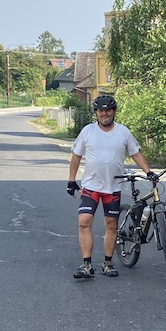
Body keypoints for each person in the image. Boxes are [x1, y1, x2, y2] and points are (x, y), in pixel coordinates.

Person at [67, 94, 153, 280]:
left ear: (114, 112)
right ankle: (86, 265)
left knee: (111, 225)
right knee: (84, 221)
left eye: (108, 110)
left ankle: (108, 263)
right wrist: (71, 181)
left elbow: (136, 153)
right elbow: (76, 156)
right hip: (91, 185)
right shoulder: (88, 131)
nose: (104, 114)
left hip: (113, 187)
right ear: (96, 113)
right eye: (101, 111)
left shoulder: (123, 132)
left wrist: (148, 172)